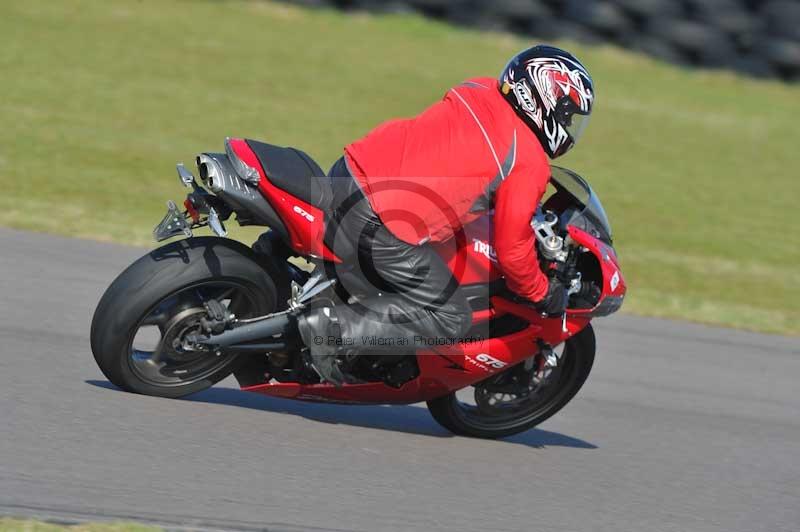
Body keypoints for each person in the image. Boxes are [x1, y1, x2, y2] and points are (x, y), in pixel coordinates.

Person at [297, 45, 595, 385]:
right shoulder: (528, 161)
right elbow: (512, 251)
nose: (569, 126)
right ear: (543, 98)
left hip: (350, 169)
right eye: (567, 114)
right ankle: (332, 330)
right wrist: (542, 292)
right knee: (450, 316)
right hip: (379, 220)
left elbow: (464, 151)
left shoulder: (478, 88)